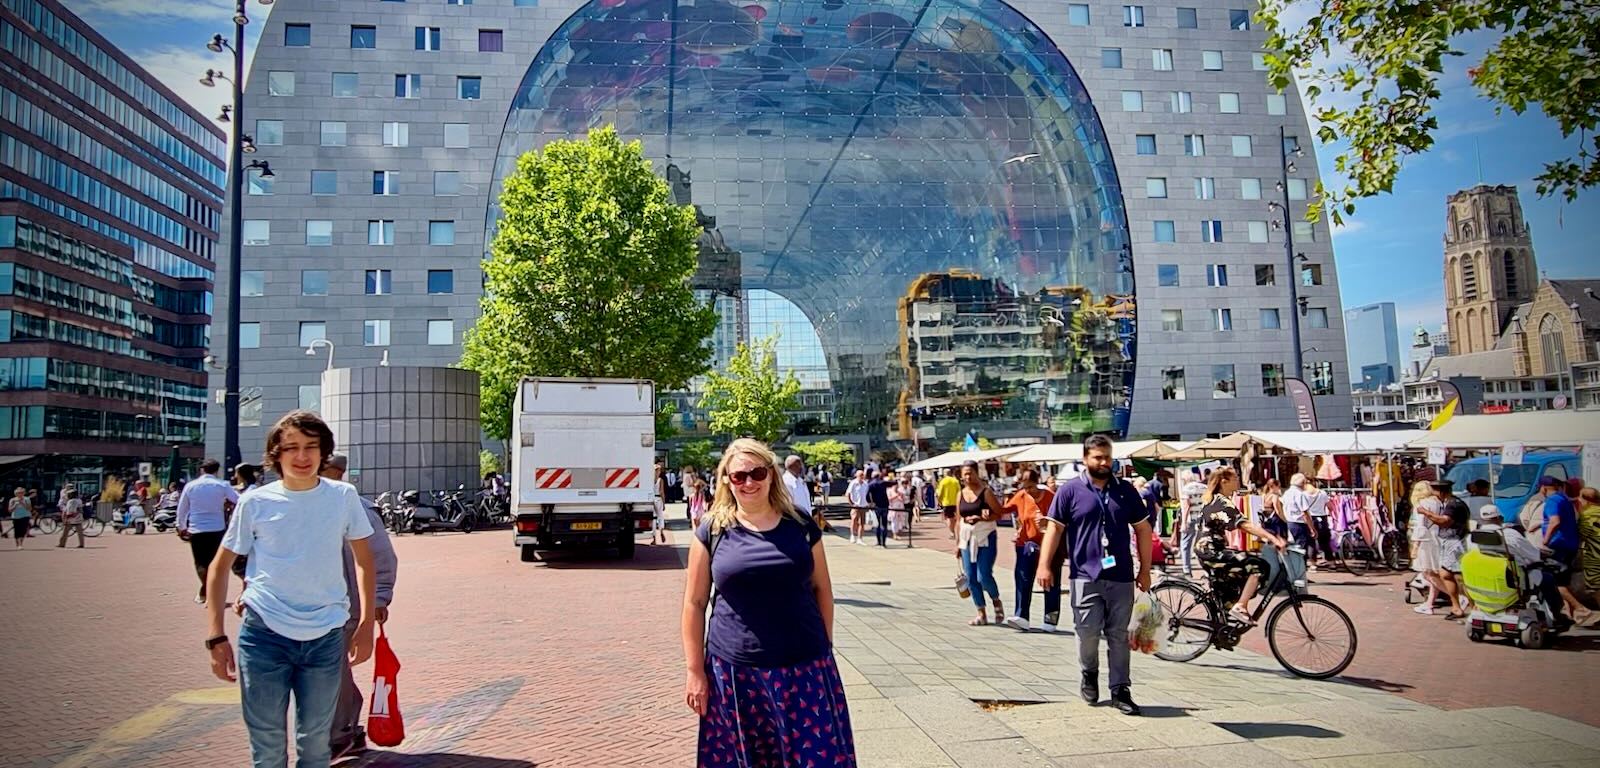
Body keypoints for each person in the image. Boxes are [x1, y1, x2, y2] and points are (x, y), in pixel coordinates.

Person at [202, 411, 379, 768]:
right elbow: (218, 567)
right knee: (267, 745)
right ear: (276, 454)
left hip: (326, 637)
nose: (302, 456)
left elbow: (365, 561)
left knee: (316, 745)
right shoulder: (256, 502)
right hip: (264, 635)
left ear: (324, 452)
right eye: (292, 448)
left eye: (311, 447)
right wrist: (215, 637)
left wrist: (365, 625)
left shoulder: (343, 497)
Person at [681, 438, 854, 765]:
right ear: (726, 481)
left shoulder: (801, 526)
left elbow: (823, 590)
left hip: (805, 668)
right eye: (739, 476)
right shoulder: (712, 530)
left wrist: (824, 646)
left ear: (771, 475)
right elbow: (694, 603)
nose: (749, 482)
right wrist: (694, 672)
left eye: (757, 473)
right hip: (735, 673)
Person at [1038, 435, 1154, 716]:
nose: (1104, 462)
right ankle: (1089, 673)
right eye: (1097, 458)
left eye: (1107, 457)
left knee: (1118, 635)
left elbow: (1143, 530)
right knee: (1087, 632)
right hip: (1083, 575)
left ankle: (1120, 689)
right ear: (1085, 459)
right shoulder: (1070, 491)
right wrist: (1044, 566)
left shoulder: (1125, 490)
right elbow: (1054, 530)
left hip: (1121, 576)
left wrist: (1145, 570)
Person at [320, 452, 397, 760]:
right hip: (308, 608)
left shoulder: (358, 508)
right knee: (329, 672)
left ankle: (340, 734)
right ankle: (345, 729)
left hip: (346, 606)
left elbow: (381, 556)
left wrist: (379, 598)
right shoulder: (300, 504)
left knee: (332, 672)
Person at [1193, 468, 1288, 625]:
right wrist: (1273, 538)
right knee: (1258, 565)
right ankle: (1240, 606)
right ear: (1224, 481)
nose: (1238, 481)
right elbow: (1245, 525)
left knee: (1238, 572)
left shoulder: (1213, 499)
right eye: (1235, 478)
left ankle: (1224, 615)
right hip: (1210, 551)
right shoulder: (1221, 501)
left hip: (1208, 550)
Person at [178, 459, 241, 604]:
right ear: (217, 470)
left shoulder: (191, 486)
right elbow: (238, 500)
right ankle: (210, 593)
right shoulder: (222, 485)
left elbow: (182, 509)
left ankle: (206, 592)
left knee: (200, 562)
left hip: (196, 529)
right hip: (217, 529)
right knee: (215, 562)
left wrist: (181, 527)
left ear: (202, 470)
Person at [1003, 468, 1057, 631]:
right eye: (1025, 487)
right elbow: (1005, 510)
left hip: (1049, 544)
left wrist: (1048, 522)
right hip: (1027, 543)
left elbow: (1062, 519)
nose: (1028, 491)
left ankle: (1050, 619)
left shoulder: (1050, 497)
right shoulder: (1021, 496)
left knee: (1051, 581)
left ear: (1038, 482)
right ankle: (1021, 616)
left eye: (1031, 487)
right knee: (1023, 578)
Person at [955, 460, 1006, 625]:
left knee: (983, 575)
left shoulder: (986, 492)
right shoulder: (960, 494)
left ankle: (996, 601)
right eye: (965, 474)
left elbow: (999, 513)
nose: (968, 477)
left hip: (985, 537)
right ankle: (981, 612)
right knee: (971, 577)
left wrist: (984, 517)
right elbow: (958, 519)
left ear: (977, 473)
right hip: (966, 538)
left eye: (971, 473)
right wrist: (957, 542)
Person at [1534, 476, 1584, 624]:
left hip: (1558, 545)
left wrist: (1545, 540)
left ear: (1543, 487)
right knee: (1564, 579)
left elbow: (1555, 521)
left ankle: (1581, 609)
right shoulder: (1563, 498)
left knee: (1554, 581)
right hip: (1570, 544)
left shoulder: (1552, 500)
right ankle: (1570, 613)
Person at [1421, 480, 1471, 620]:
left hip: (1454, 542)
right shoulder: (1453, 503)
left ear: (1442, 492)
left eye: (1435, 492)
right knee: (1446, 573)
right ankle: (1457, 606)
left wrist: (1425, 512)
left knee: (1456, 575)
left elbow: (1445, 521)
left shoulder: (1453, 505)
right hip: (1450, 541)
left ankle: (1467, 605)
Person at [1408, 480, 1444, 614]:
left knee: (1429, 574)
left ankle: (1457, 597)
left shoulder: (1421, 505)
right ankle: (1429, 603)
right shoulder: (1438, 502)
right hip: (1437, 538)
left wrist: (1415, 546)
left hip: (1426, 541)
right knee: (1433, 573)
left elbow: (1420, 527)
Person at [1172, 471, 1207, 576]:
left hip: (1190, 519)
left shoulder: (1186, 489)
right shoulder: (1204, 487)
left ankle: (1186, 570)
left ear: (1185, 479)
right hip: (1202, 519)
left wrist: (1183, 523)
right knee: (1201, 545)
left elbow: (1186, 506)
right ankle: (1206, 570)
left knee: (1185, 544)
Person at [1303, 478, 1334, 565]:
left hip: (1310, 518)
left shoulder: (1303, 494)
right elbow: (1330, 506)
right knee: (1325, 541)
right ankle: (1331, 562)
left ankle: (1313, 563)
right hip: (1322, 517)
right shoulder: (1322, 493)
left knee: (1311, 541)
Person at [781, 455, 817, 531]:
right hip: (795, 525)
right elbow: (787, 506)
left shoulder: (801, 481)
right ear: (793, 466)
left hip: (806, 523)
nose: (802, 467)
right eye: (800, 464)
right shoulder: (786, 482)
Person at [866, 470, 892, 548]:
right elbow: (893, 483)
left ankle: (878, 541)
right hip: (884, 505)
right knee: (884, 524)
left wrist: (870, 502)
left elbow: (867, 494)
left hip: (876, 505)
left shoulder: (870, 484)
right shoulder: (883, 482)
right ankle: (883, 542)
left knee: (877, 524)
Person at [846, 469, 870, 545]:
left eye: (863, 475)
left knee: (862, 522)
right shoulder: (853, 483)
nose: (861, 476)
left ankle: (860, 538)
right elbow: (848, 494)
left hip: (863, 505)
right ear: (856, 475)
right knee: (854, 519)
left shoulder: (865, 484)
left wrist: (868, 503)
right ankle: (852, 535)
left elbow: (868, 494)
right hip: (856, 505)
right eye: (860, 475)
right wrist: (851, 503)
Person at [936, 468, 961, 538]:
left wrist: (939, 501)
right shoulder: (955, 481)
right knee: (954, 517)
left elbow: (940, 493)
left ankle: (952, 532)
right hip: (955, 502)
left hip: (946, 503)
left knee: (949, 518)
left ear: (945, 474)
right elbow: (959, 491)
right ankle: (954, 530)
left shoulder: (943, 481)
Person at [652, 463, 669, 545]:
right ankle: (661, 531)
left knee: (653, 519)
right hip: (659, 498)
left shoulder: (650, 480)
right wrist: (664, 502)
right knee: (660, 516)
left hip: (652, 499)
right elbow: (662, 492)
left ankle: (654, 538)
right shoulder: (660, 480)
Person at [888, 475, 909, 542]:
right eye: (895, 485)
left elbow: (903, 499)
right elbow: (889, 499)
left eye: (897, 485)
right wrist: (896, 496)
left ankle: (897, 533)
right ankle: (894, 534)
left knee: (900, 521)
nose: (896, 486)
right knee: (894, 522)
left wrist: (901, 497)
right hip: (893, 508)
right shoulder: (890, 491)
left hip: (900, 507)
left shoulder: (900, 491)